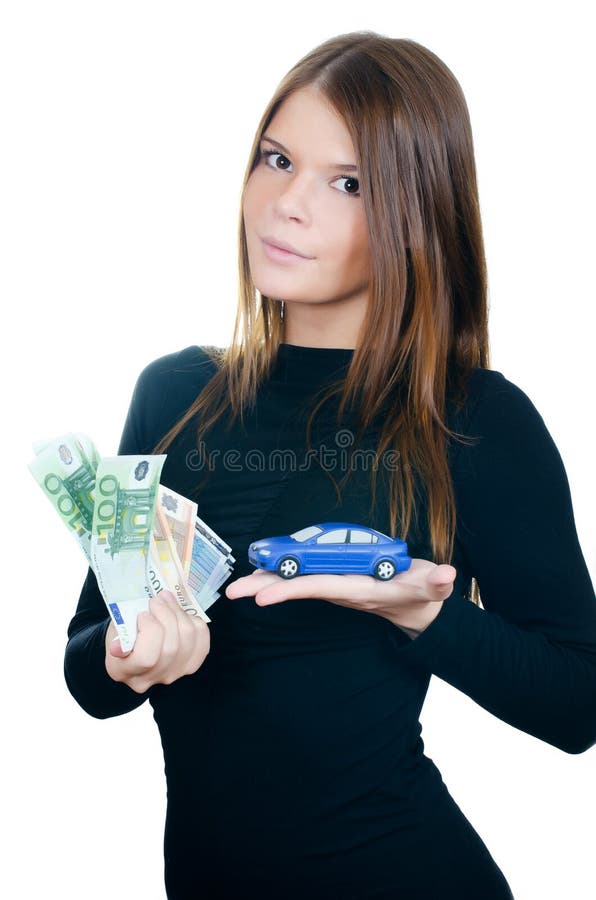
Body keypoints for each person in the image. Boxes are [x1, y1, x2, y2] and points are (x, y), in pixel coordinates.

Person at [64, 31, 596, 900]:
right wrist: (129, 656)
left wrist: (422, 614)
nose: (287, 204)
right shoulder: (173, 393)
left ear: (415, 218)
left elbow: (581, 705)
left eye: (347, 183)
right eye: (277, 159)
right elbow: (87, 668)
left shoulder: (475, 420)